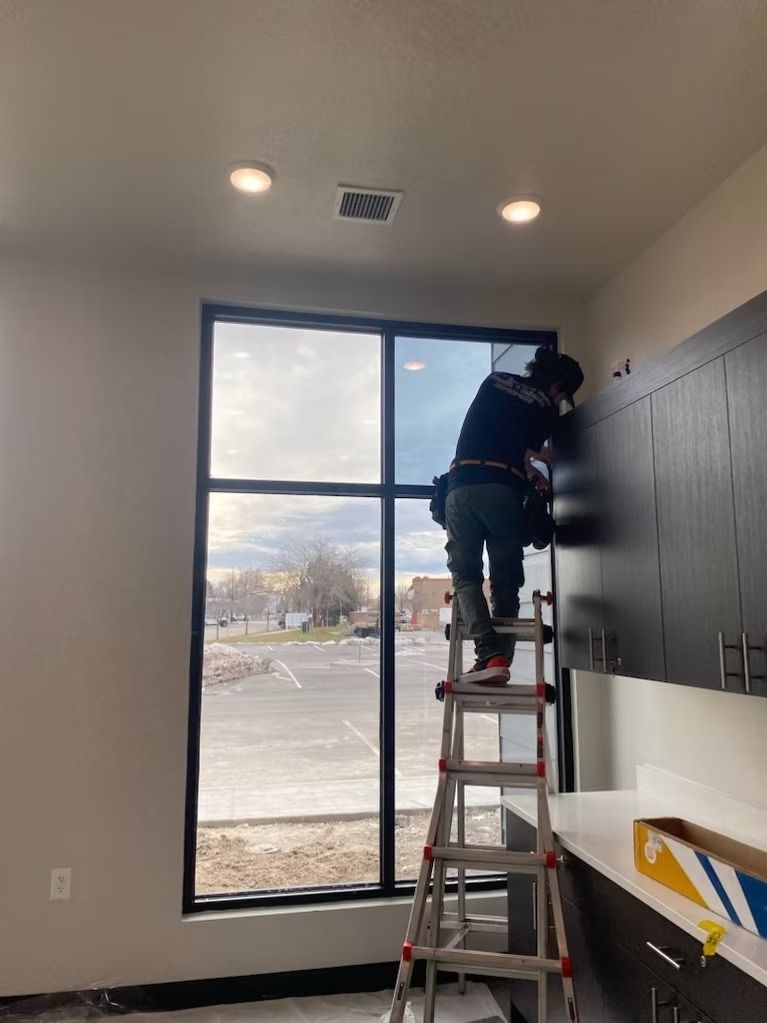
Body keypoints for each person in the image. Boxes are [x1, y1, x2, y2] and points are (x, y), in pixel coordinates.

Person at [445, 347, 584, 683]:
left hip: (460, 486)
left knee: (465, 575)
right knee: (505, 577)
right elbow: (546, 452)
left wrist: (528, 464)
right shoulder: (546, 407)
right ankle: (499, 661)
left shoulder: (495, 380)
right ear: (558, 387)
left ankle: (488, 655)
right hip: (501, 493)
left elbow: (503, 437)